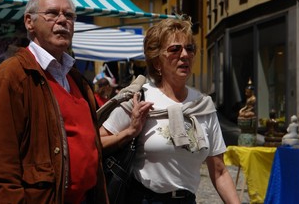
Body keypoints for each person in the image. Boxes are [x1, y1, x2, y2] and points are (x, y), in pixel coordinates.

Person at [0, 0, 108, 204]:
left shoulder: (77, 79)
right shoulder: (12, 76)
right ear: (29, 22)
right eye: (52, 13)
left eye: (69, 15)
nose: (62, 20)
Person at [99, 18, 240, 203]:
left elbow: (220, 171)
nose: (184, 55)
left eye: (189, 49)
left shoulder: (203, 105)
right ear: (157, 62)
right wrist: (129, 132)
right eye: (175, 49)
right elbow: (96, 142)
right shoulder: (139, 99)